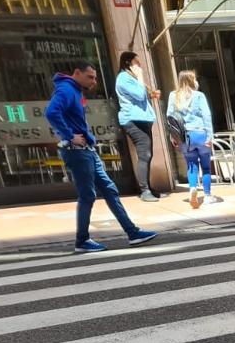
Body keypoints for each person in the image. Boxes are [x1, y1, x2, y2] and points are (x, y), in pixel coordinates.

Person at [45, 61, 158, 254]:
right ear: (77, 72)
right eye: (90, 76)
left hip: (85, 150)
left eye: (95, 77)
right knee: (88, 194)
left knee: (109, 189)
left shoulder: (74, 90)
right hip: (76, 150)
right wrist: (70, 136)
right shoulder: (66, 89)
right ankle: (82, 241)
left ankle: (132, 232)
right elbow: (51, 112)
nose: (94, 81)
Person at [168, 71, 220, 209]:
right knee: (206, 167)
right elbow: (206, 116)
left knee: (191, 165)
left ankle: (192, 188)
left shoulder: (173, 96)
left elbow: (170, 117)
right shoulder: (199, 95)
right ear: (192, 80)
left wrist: (173, 136)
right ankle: (208, 195)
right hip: (201, 133)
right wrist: (210, 136)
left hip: (185, 136)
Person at [115, 51, 160, 202]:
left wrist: (152, 95)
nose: (140, 65)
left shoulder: (130, 78)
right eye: (137, 62)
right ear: (128, 63)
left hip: (143, 119)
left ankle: (148, 187)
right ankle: (144, 190)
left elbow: (141, 96)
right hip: (133, 120)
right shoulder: (123, 78)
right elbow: (139, 95)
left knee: (148, 154)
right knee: (144, 154)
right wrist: (140, 77)